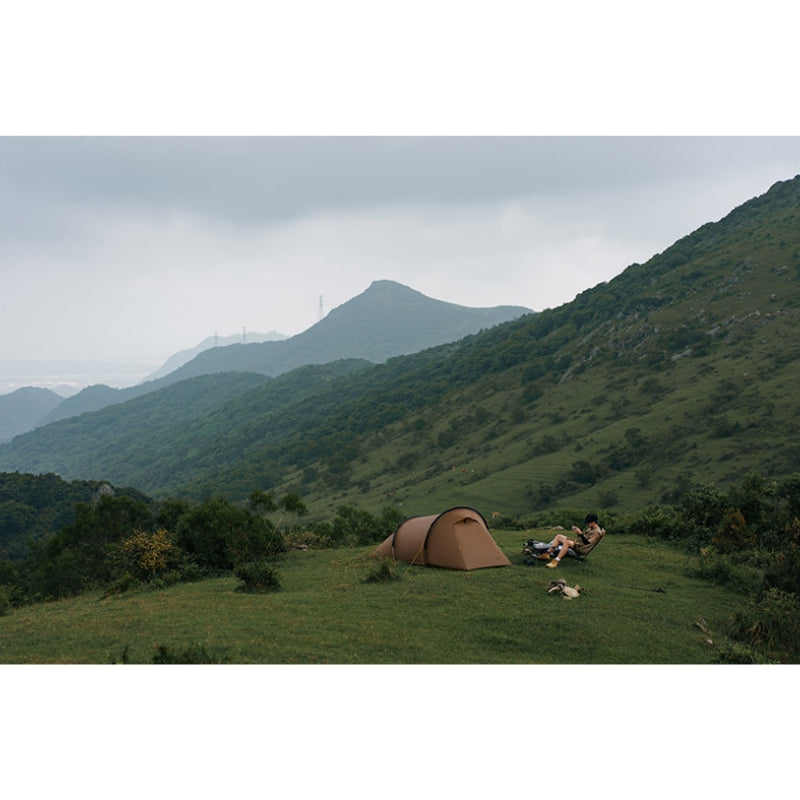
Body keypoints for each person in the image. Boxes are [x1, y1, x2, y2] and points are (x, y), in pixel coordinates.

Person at [537, 513, 605, 568]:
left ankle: (556, 561)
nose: (587, 524)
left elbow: (588, 543)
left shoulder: (597, 533)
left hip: (582, 548)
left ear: (593, 522)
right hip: (578, 544)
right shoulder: (590, 528)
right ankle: (547, 554)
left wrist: (580, 534)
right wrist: (578, 533)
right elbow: (582, 539)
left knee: (567, 542)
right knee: (559, 536)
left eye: (588, 523)